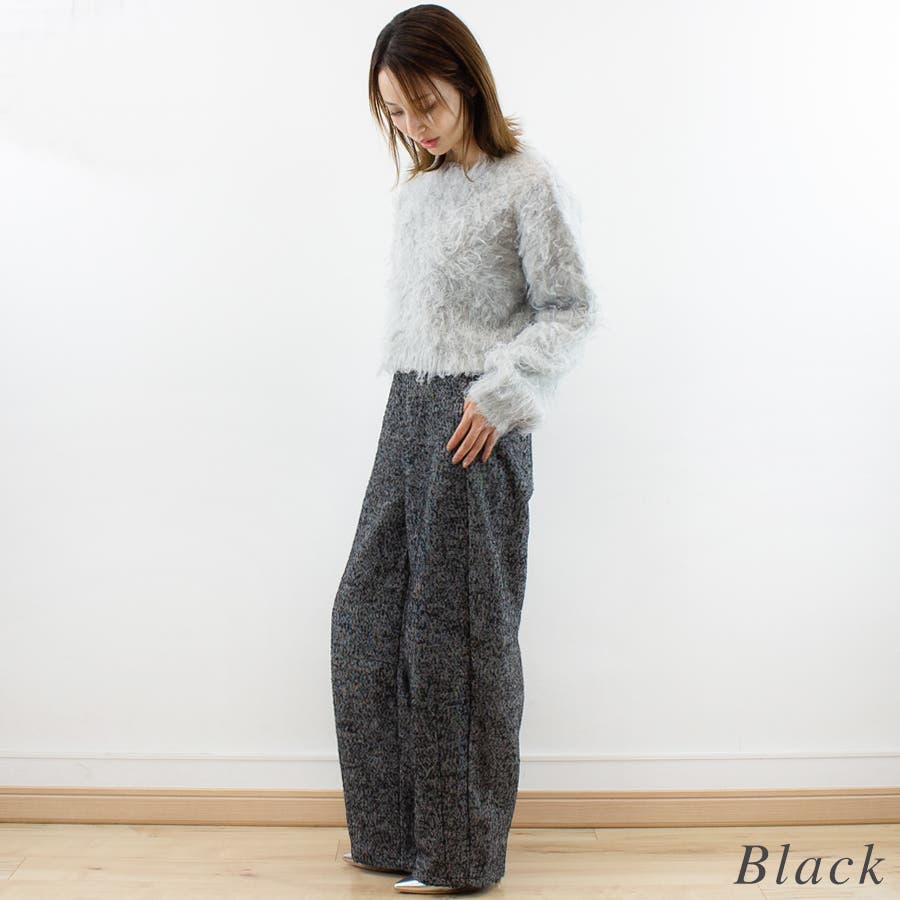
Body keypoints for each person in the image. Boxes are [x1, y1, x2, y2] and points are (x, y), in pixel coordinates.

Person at [330, 4, 599, 894]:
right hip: (406, 408)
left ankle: (457, 856)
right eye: (396, 112)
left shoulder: (529, 182)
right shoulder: (419, 191)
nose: (414, 125)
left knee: (456, 638)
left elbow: (571, 310)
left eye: (425, 103)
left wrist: (503, 393)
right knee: (366, 620)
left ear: (466, 82)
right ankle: (391, 835)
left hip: (476, 421)